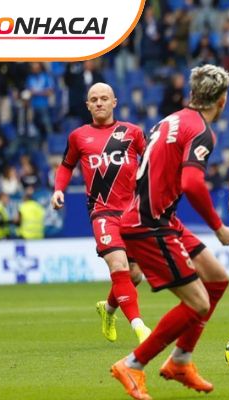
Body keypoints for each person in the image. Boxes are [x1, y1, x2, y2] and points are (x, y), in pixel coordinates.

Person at [110, 65, 229, 400]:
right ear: (222, 101)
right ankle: (133, 364)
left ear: (191, 94)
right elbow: (192, 183)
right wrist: (218, 226)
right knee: (198, 302)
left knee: (216, 278)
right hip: (150, 223)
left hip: (158, 217)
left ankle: (181, 361)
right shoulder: (202, 130)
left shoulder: (172, 119)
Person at [51, 82, 152, 344]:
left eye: (104, 98)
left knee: (135, 275)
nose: (99, 103)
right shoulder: (78, 136)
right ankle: (140, 328)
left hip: (132, 213)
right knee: (118, 265)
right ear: (87, 105)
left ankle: (107, 310)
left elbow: (153, 160)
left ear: (114, 102)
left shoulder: (132, 133)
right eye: (93, 99)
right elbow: (65, 166)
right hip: (102, 212)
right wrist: (58, 190)